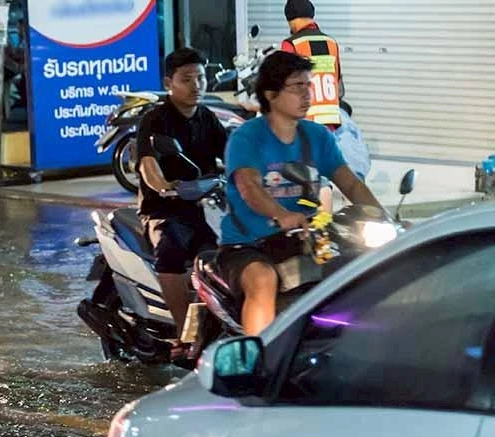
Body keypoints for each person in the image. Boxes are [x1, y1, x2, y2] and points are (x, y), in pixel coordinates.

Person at [220, 51, 384, 336]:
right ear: (271, 94)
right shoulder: (247, 137)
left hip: (305, 238)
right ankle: (260, 357)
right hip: (248, 244)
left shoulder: (318, 136)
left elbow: (351, 184)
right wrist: (281, 214)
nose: (307, 94)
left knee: (358, 273)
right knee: (263, 280)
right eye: (297, 86)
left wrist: (384, 218)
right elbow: (249, 187)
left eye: (309, 85)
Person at [135, 47, 228, 353]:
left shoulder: (207, 118)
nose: (196, 85)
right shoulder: (154, 120)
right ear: (168, 83)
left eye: (200, 77)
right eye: (187, 79)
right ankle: (184, 335)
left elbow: (232, 156)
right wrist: (162, 187)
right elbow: (148, 164)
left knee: (227, 254)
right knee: (171, 249)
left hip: (204, 206)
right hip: (164, 208)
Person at [278, 0, 344, 128]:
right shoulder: (331, 43)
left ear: (291, 21)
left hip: (305, 123)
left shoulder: (291, 44)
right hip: (330, 120)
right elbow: (337, 81)